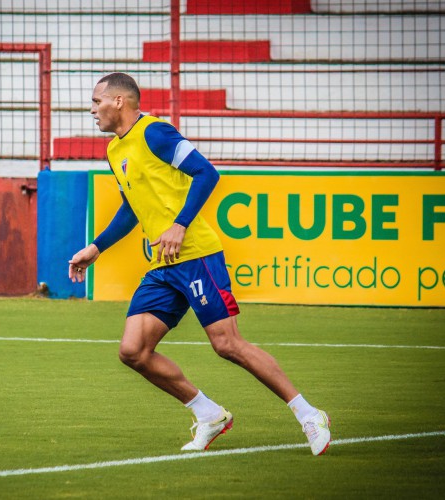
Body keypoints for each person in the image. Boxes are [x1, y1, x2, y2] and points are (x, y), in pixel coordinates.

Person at [68, 73, 331, 456]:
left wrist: (179, 224)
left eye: (96, 102)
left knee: (227, 344)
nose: (92, 110)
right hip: (163, 263)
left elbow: (207, 172)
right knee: (133, 351)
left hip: (196, 254)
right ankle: (209, 414)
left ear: (119, 101)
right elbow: (132, 206)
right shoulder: (114, 151)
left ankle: (309, 414)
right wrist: (97, 247)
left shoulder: (156, 133)